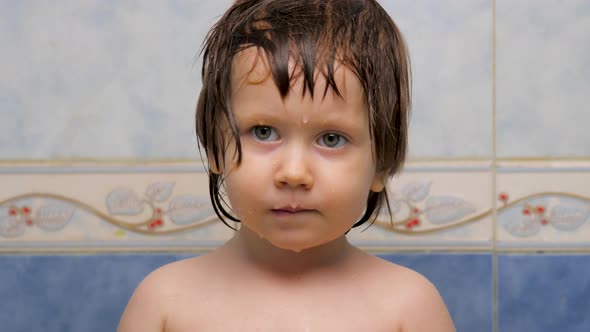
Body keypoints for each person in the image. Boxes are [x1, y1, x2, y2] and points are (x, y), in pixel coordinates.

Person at [118, 0, 455, 331]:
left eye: (331, 139)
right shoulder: (165, 304)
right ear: (216, 148)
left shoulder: (409, 309)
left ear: (382, 164)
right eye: (263, 132)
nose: (294, 173)